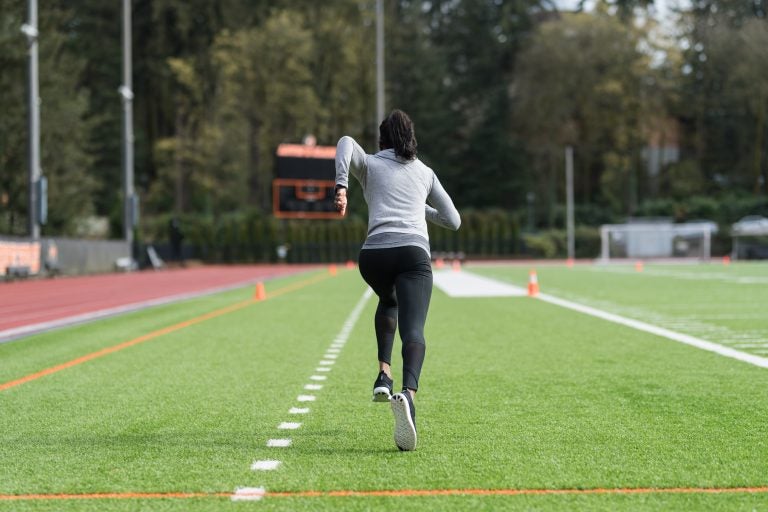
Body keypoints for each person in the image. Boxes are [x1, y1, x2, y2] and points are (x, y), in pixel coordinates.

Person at [334, 109, 461, 451]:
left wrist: (342, 185)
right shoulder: (425, 173)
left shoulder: (371, 165)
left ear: (382, 139)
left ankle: (383, 374)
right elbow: (454, 220)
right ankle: (408, 395)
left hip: (372, 256)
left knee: (387, 298)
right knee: (414, 328)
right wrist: (421, 209)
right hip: (412, 255)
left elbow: (346, 143)